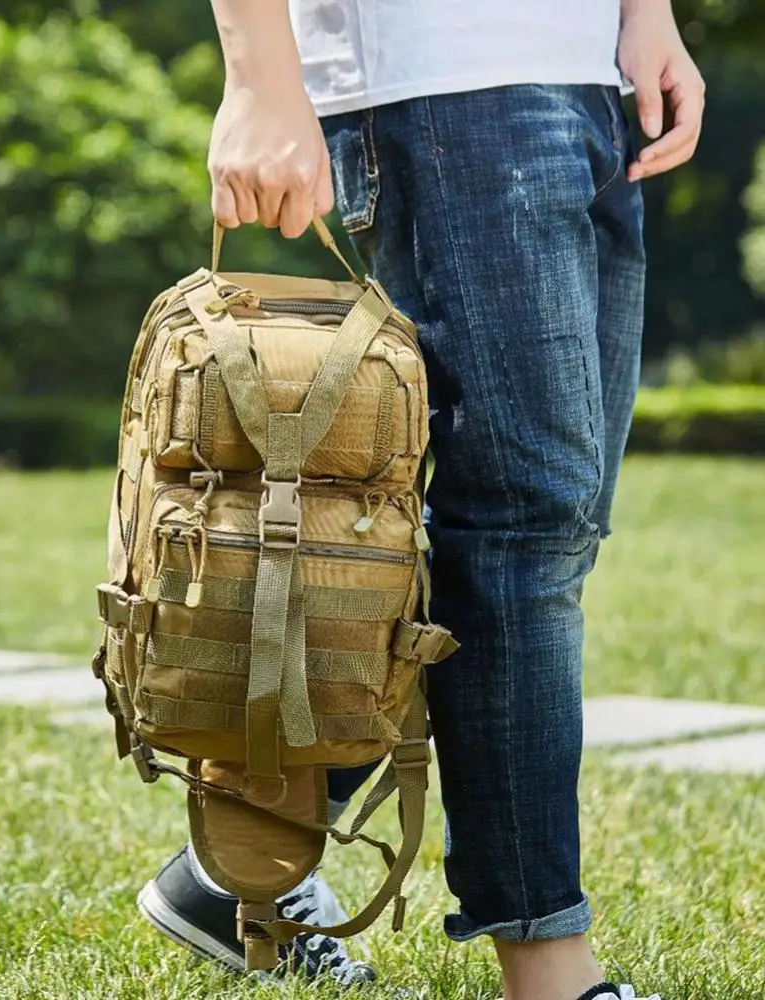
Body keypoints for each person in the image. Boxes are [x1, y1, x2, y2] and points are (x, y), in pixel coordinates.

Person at [136, 1, 705, 997]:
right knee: (521, 533)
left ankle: (236, 871)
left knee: (542, 534)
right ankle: (550, 966)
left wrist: (646, 14)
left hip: (586, 74)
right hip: (441, 81)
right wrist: (260, 77)